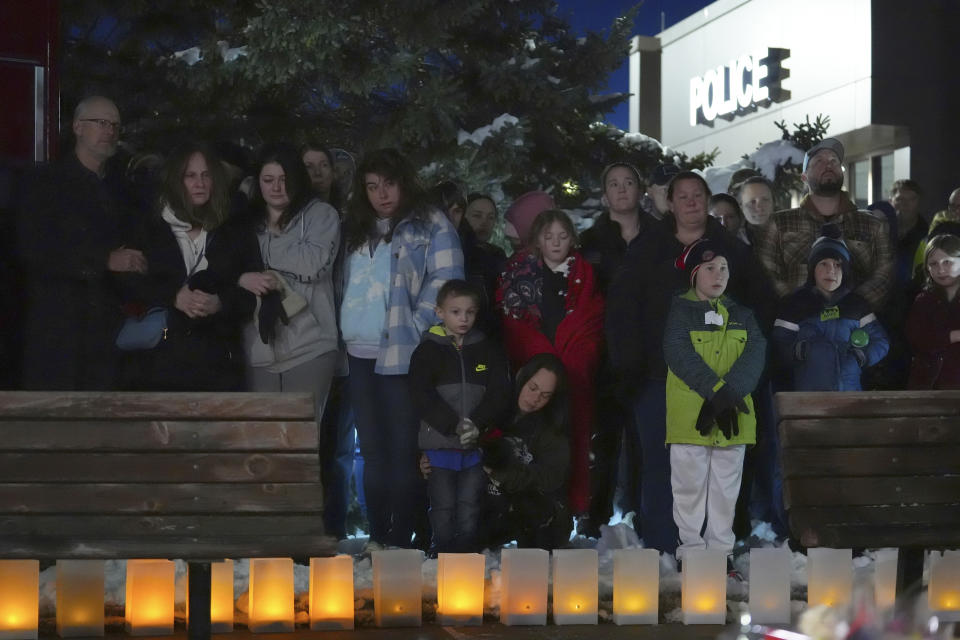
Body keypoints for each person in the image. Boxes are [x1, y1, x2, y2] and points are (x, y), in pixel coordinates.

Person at [606, 171, 772, 555]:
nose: (691, 202)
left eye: (698, 195)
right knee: (662, 469)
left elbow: (758, 310)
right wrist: (628, 368)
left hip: (723, 380)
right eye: (683, 196)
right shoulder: (648, 249)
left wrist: (743, 379)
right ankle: (665, 548)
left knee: (719, 473)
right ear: (671, 202)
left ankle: (716, 552)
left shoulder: (732, 249)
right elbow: (623, 312)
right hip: (657, 378)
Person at [338, 148, 463, 549]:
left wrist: (416, 323)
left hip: (402, 352)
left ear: (404, 182)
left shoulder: (430, 223)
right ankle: (376, 536)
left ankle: (400, 538)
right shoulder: (356, 226)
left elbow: (447, 279)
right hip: (356, 350)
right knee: (371, 452)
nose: (381, 194)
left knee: (403, 450)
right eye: (372, 187)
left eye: (388, 184)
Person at [18, 96, 145, 390]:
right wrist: (103, 260)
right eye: (101, 122)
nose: (109, 131)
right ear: (77, 127)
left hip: (110, 335)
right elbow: (33, 249)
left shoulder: (124, 190)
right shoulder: (44, 182)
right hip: (58, 334)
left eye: (115, 125)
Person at [122, 142, 258, 390]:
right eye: (191, 175)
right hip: (160, 361)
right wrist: (173, 295)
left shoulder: (234, 226)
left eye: (206, 175)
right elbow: (130, 283)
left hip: (220, 360)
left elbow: (252, 292)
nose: (200, 183)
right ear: (176, 179)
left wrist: (221, 302)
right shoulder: (150, 226)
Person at [663, 238, 765, 565]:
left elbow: (755, 355)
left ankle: (720, 556)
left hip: (733, 416)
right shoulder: (679, 312)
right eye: (709, 268)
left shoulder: (744, 315)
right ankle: (691, 554)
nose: (718, 274)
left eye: (723, 268)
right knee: (689, 490)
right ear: (694, 273)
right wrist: (716, 391)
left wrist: (728, 394)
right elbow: (680, 356)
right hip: (690, 419)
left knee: (725, 493)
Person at [497, 209, 605, 518]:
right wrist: (541, 357)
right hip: (533, 371)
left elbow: (591, 322)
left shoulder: (585, 273)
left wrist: (573, 356)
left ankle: (569, 507)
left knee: (572, 435)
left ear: (572, 238)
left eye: (562, 236)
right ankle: (522, 509)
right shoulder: (518, 273)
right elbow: (513, 325)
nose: (556, 243)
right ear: (537, 241)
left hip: (573, 372)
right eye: (548, 236)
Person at [239, 142, 340, 420]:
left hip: (311, 343)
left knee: (302, 438)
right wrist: (242, 275)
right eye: (268, 180)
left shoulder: (322, 215)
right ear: (257, 183)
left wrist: (259, 254)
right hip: (259, 346)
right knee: (262, 437)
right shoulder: (246, 222)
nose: (276, 187)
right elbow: (228, 267)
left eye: (284, 179)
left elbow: (313, 263)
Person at [409, 280, 510, 553]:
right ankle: (442, 552)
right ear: (439, 312)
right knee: (442, 505)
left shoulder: (487, 350)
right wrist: (453, 425)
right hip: (440, 446)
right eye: (456, 312)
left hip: (474, 447)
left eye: (470, 312)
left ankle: (466, 554)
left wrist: (477, 424)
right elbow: (421, 395)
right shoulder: (427, 351)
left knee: (469, 504)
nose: (463, 318)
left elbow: (499, 392)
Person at [579, 162, 653, 536]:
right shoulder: (591, 241)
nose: (622, 189)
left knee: (646, 442)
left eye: (629, 182)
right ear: (605, 194)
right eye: (614, 184)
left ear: (640, 190)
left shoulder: (659, 236)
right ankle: (595, 517)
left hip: (650, 354)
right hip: (604, 355)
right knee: (603, 441)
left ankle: (642, 514)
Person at [755, 138, 893, 309]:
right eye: (819, 161)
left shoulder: (871, 224)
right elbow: (767, 273)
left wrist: (854, 306)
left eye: (834, 161)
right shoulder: (779, 224)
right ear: (804, 177)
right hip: (796, 327)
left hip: (857, 328)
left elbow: (884, 273)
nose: (828, 164)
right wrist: (798, 306)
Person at [771, 227, 889, 392]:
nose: (831, 271)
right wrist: (798, 352)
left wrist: (862, 356)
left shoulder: (856, 305)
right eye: (823, 264)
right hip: (808, 397)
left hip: (849, 395)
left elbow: (881, 341)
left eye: (837, 265)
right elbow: (777, 344)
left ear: (845, 270)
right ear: (812, 269)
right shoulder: (795, 304)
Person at [479, 353, 573, 550]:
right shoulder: (493, 407)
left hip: (527, 513)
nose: (535, 398)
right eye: (533, 388)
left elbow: (550, 477)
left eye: (545, 395)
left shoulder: (551, 429)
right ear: (522, 377)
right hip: (485, 507)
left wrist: (504, 474)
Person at [905, 234, 960, 389]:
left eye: (947, 262)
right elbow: (916, 339)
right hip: (928, 384)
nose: (941, 269)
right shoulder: (923, 301)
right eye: (933, 264)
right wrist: (953, 336)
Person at [460, 193, 507, 337]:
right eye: (477, 215)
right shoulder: (457, 253)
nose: (484, 222)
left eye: (490, 217)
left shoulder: (497, 255)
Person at [732, 176, 776, 245]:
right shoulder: (732, 241)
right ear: (741, 205)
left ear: (773, 202)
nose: (759, 207)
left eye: (765, 200)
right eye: (752, 201)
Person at [301, 142, 344, 212]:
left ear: (333, 172)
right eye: (309, 167)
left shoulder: (347, 214)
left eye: (324, 165)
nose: (317, 173)